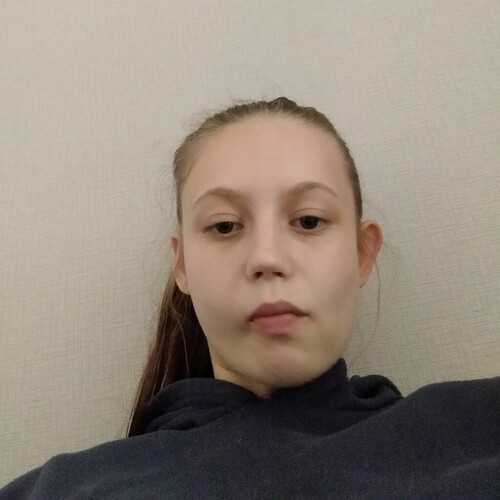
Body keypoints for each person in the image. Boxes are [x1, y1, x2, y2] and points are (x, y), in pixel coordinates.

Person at [1, 97, 499, 499]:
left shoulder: (479, 429)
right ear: (182, 265)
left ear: (361, 253)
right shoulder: (60, 489)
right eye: (224, 226)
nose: (266, 257)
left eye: (308, 220)